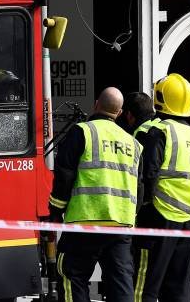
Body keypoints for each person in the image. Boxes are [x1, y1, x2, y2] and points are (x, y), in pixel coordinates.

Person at [48, 87, 141, 302]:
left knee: (72, 276)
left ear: (96, 104)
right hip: (121, 225)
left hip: (85, 221)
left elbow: (64, 177)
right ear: (119, 113)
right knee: (121, 284)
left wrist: (55, 212)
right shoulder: (134, 143)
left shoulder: (82, 132)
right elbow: (141, 186)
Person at [132, 73, 190, 302]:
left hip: (159, 217)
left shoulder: (160, 131)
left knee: (146, 285)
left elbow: (147, 174)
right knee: (179, 285)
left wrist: (144, 206)